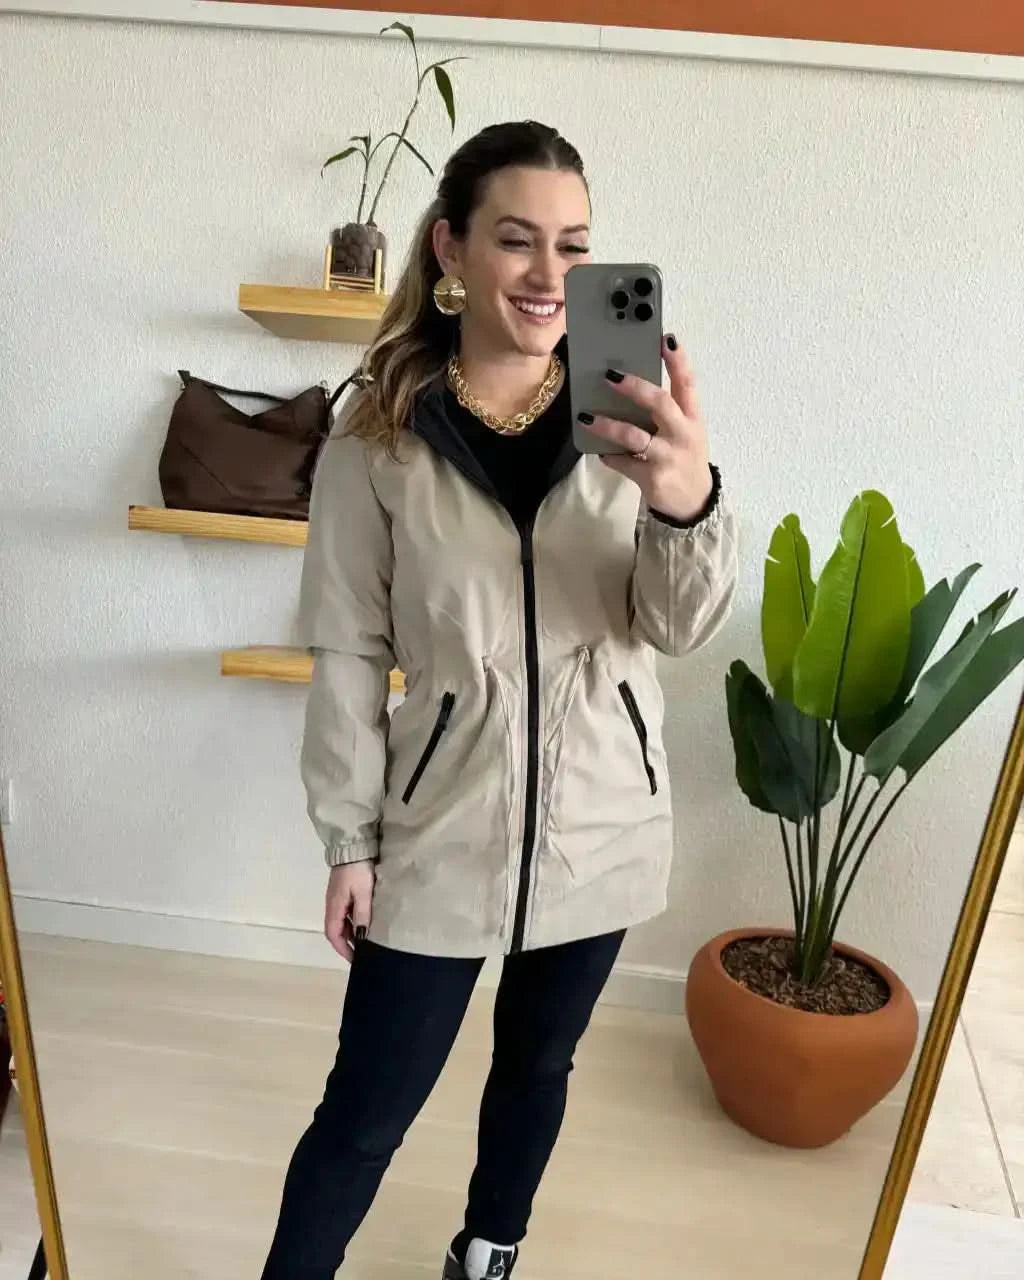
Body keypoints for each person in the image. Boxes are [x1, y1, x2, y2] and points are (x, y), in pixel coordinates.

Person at [261, 120, 738, 1280]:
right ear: (451, 249)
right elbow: (347, 646)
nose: (547, 272)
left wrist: (684, 499)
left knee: (538, 1064)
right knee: (364, 1109)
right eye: (516, 239)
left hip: (603, 817)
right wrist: (350, 839)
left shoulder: (631, 418)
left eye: (573, 244)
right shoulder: (375, 438)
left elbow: (674, 626)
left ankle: (488, 1249)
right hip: (442, 826)